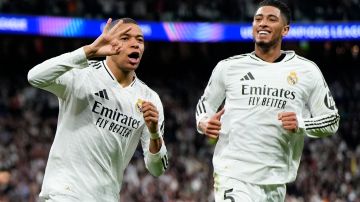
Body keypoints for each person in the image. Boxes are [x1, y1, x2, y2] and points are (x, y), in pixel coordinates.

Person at [195, 0, 340, 201]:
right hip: (233, 174)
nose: (262, 23)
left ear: (285, 30)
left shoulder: (307, 71)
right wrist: (203, 121)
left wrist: (302, 124)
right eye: (258, 19)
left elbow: (331, 120)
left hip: (275, 181)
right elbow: (205, 104)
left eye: (271, 19)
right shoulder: (228, 68)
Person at [28, 18, 169, 202]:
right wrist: (88, 52)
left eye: (140, 40)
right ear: (110, 41)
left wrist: (154, 133)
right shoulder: (81, 75)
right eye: (125, 38)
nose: (135, 43)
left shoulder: (150, 99)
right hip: (65, 193)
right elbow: (35, 77)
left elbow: (157, 169)